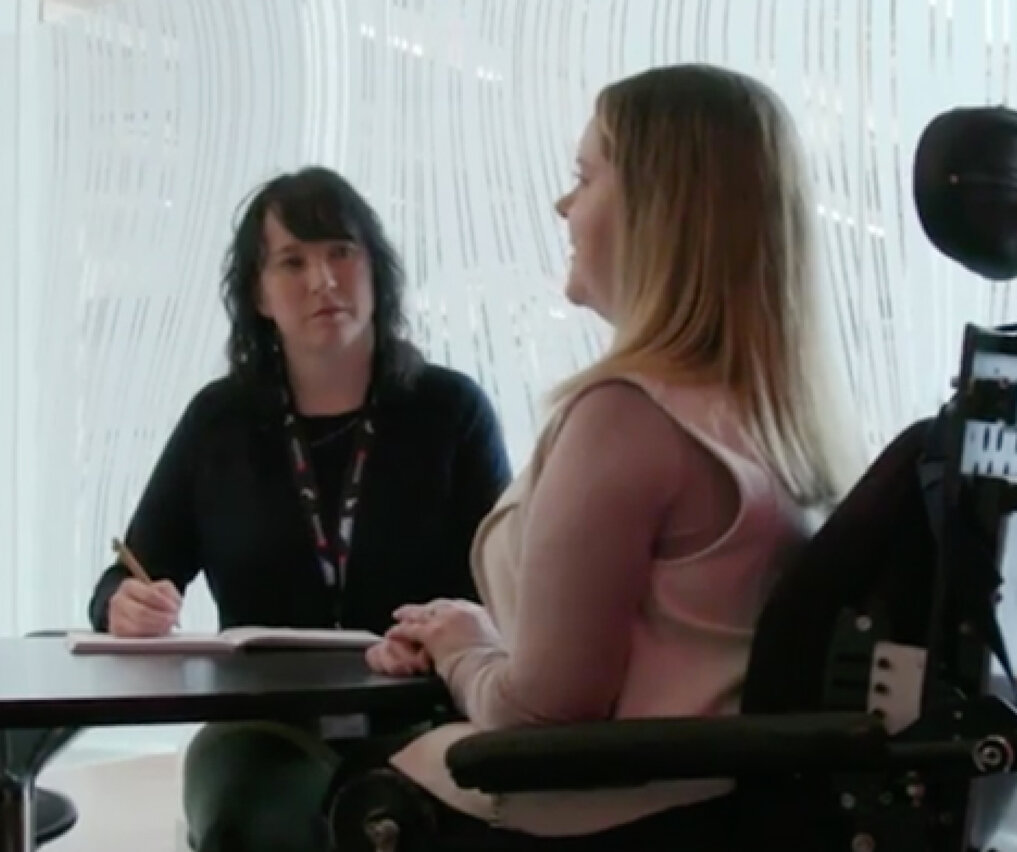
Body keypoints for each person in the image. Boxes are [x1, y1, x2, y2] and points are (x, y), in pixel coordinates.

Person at [360, 63, 857, 849]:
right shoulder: (778, 421)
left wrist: (461, 650)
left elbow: (542, 720)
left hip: (612, 816)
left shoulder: (626, 418)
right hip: (734, 812)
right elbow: (676, 641)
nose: (564, 205)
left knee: (330, 789)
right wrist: (483, 635)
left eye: (584, 177)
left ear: (661, 212)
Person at [86, 166, 513, 851]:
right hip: (262, 726)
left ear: (378, 271)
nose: (323, 280)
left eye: (342, 252)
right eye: (293, 262)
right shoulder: (219, 421)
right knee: (264, 822)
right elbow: (129, 575)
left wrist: (438, 633)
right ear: (258, 293)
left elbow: (508, 595)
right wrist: (123, 605)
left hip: (423, 716)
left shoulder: (450, 411)